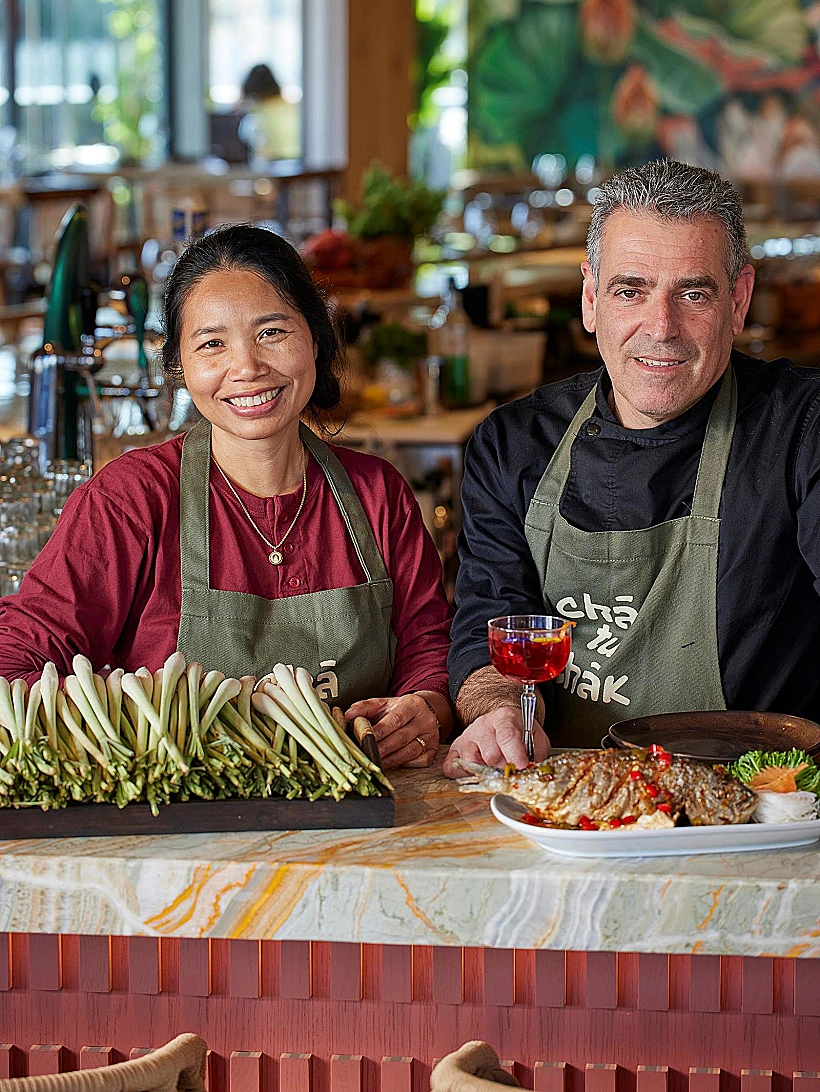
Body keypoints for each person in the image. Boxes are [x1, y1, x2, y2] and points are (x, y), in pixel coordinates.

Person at [0, 225, 453, 769]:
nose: (246, 368)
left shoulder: (377, 493)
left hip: (358, 818)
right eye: (212, 343)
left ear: (316, 337)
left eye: (271, 332)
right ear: (180, 367)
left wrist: (425, 708)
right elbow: (19, 652)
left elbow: (429, 648)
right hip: (176, 828)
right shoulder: (132, 499)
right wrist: (105, 724)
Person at [444, 158, 820, 775]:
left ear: (740, 301)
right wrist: (497, 713)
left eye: (693, 293)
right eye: (630, 290)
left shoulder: (801, 429)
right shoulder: (513, 444)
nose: (661, 328)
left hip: (762, 807)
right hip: (563, 799)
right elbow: (489, 622)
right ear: (592, 298)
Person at [240, 64, 300, 163]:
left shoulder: (257, 113)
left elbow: (250, 141)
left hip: (274, 163)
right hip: (298, 162)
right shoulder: (291, 107)